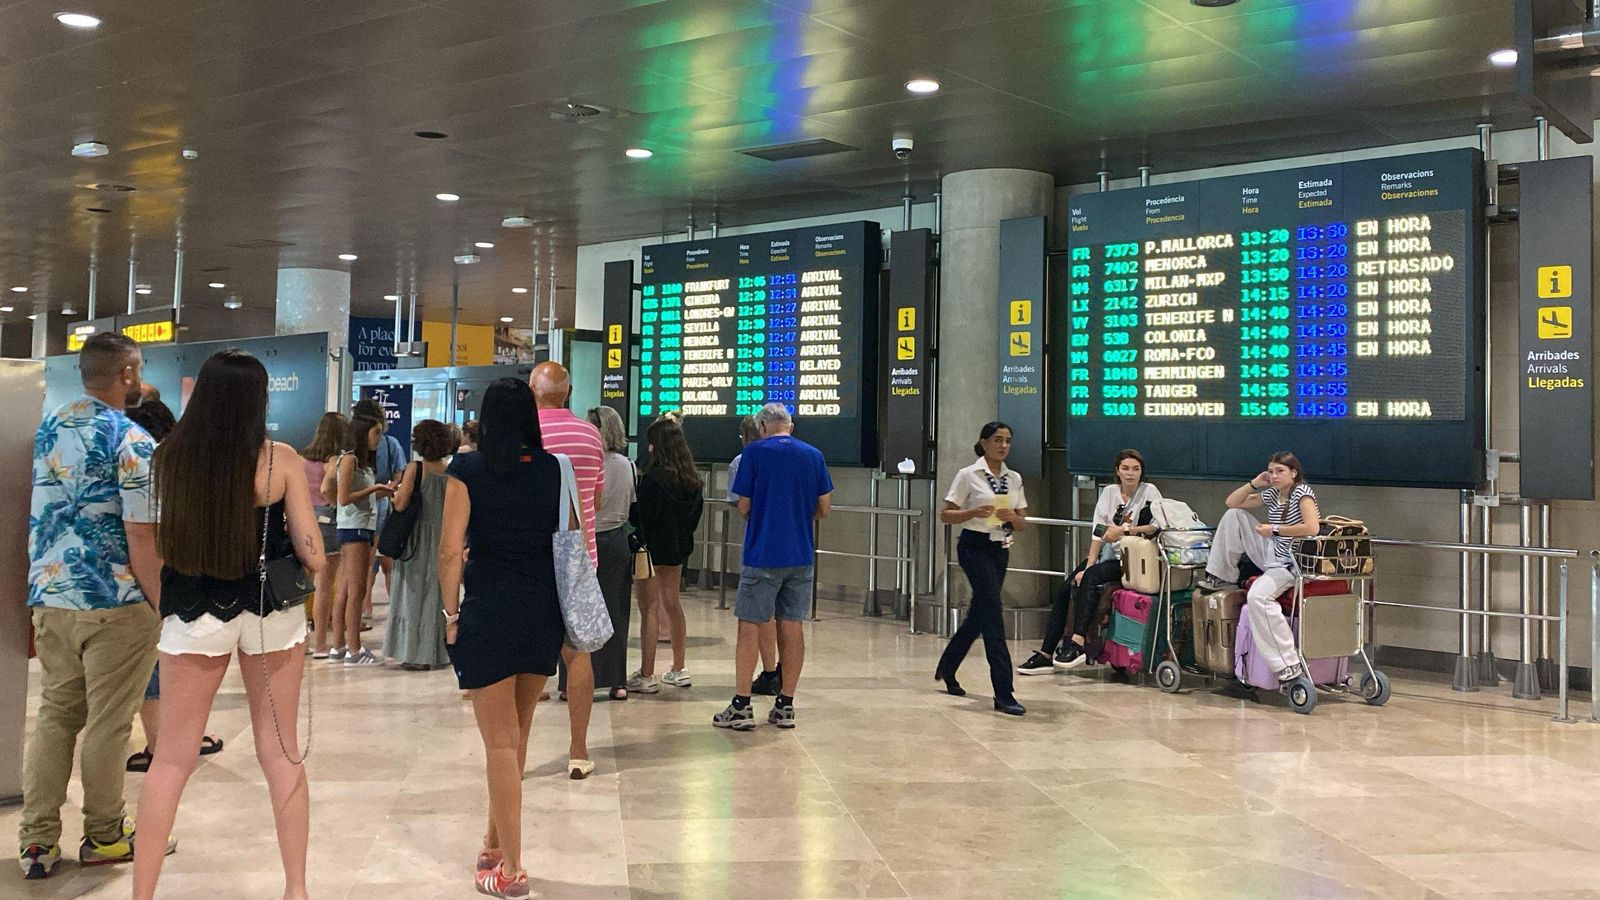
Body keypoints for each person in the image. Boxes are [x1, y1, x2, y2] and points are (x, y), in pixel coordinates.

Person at [132, 348, 325, 900]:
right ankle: (296, 890)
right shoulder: (279, 459)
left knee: (171, 757)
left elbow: (147, 539)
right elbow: (311, 550)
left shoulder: (168, 459)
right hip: (270, 614)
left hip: (193, 609)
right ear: (258, 400)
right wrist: (313, 555)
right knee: (281, 751)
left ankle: (141, 894)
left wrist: (160, 600)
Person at [19, 333, 173, 881]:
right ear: (128, 373)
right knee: (109, 723)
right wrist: (162, 605)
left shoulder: (50, 430)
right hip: (116, 600)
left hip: (51, 596)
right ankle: (105, 835)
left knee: (56, 716)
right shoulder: (132, 440)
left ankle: (36, 841)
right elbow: (141, 534)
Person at [439, 378, 566, 899]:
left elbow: (450, 551)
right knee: (518, 736)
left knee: (499, 742)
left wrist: (450, 612)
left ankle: (512, 868)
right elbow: (569, 540)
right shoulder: (556, 468)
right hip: (543, 611)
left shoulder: (466, 469)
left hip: (489, 612)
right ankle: (493, 842)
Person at [713, 404, 832, 731]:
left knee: (750, 625)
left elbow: (745, 505)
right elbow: (824, 508)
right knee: (792, 625)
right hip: (801, 554)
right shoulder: (813, 455)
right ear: (789, 426)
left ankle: (741, 705)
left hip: (762, 552)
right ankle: (786, 704)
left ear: (763, 427)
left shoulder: (754, 454)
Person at [122, 400, 225, 774]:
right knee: (164, 664)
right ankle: (166, 743)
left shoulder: (152, 466)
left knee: (161, 665)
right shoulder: (168, 467)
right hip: (169, 581)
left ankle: (164, 742)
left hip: (149, 580)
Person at [1017, 449, 1163, 675]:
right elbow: (1099, 532)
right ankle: (1046, 654)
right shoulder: (1109, 493)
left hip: (1134, 561)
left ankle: (1078, 641)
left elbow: (1156, 526)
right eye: (1125, 468)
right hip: (1109, 555)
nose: (1130, 473)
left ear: (1142, 472)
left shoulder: (1150, 492)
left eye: (1135, 469)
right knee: (1069, 586)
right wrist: (1088, 564)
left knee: (1093, 576)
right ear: (1117, 471)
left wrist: (1125, 530)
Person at [529, 363, 606, 779]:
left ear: (532, 390)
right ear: (569, 391)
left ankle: (517, 750)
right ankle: (578, 749)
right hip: (580, 557)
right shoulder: (590, 434)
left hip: (530, 558)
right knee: (578, 655)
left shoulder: (526, 435)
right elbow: (595, 493)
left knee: (523, 659)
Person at [1197, 452, 1321, 687]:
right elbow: (1231, 502)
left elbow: (1312, 527)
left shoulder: (1303, 493)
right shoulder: (1273, 493)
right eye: (1271, 471)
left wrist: (1274, 529)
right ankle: (1220, 575)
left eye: (1280, 471)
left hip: (1292, 562)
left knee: (1258, 597)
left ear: (1293, 473)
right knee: (1234, 515)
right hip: (1272, 552)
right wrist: (1254, 483)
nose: (1274, 476)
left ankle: (1288, 663)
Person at [936, 421, 1029, 716]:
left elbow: (1023, 522)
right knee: (993, 613)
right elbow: (946, 514)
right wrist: (973, 512)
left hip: (1000, 546)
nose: (1003, 446)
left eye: (1007, 441)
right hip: (974, 546)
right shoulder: (969, 474)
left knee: (980, 613)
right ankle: (1003, 691)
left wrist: (1013, 516)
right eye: (997, 440)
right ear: (984, 442)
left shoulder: (1014, 478)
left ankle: (948, 666)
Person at [628, 417, 702, 693]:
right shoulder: (692, 481)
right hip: (678, 549)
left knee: (649, 609)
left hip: (650, 551)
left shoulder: (652, 481)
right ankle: (678, 667)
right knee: (673, 603)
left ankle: (647, 673)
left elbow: (642, 516)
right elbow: (693, 519)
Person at [383, 419, 458, 670]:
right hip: (442, 537)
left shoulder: (415, 469)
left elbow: (402, 504)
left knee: (412, 595)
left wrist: (394, 494)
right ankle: (437, 651)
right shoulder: (451, 470)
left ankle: (413, 653)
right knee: (436, 595)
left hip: (416, 539)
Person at [331, 414, 393, 667]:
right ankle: (353, 649)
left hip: (361, 527)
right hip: (354, 529)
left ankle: (339, 646)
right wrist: (374, 490)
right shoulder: (349, 460)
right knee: (356, 590)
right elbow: (343, 497)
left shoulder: (359, 462)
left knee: (347, 589)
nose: (379, 438)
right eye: (376, 432)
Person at [726, 414, 781, 696]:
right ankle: (774, 672)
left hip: (755, 546)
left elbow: (741, 504)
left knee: (751, 617)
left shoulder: (743, 462)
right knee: (779, 616)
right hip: (789, 548)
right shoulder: (794, 457)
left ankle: (744, 694)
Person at [585, 407, 635, 703]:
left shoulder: (587, 463)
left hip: (588, 538)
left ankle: (578, 680)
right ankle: (617, 681)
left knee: (580, 612)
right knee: (617, 610)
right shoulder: (627, 465)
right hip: (618, 540)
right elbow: (631, 501)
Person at [353, 397, 404, 628]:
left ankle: (365, 608)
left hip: (363, 512)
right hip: (373, 508)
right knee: (376, 561)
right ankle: (366, 608)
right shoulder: (387, 444)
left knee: (371, 561)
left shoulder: (350, 450)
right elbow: (398, 474)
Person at [304, 412, 347, 659]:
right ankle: (321, 643)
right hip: (327, 520)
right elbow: (327, 488)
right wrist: (334, 502)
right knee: (324, 585)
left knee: (301, 587)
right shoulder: (334, 460)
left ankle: (303, 641)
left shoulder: (301, 459)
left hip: (304, 520)